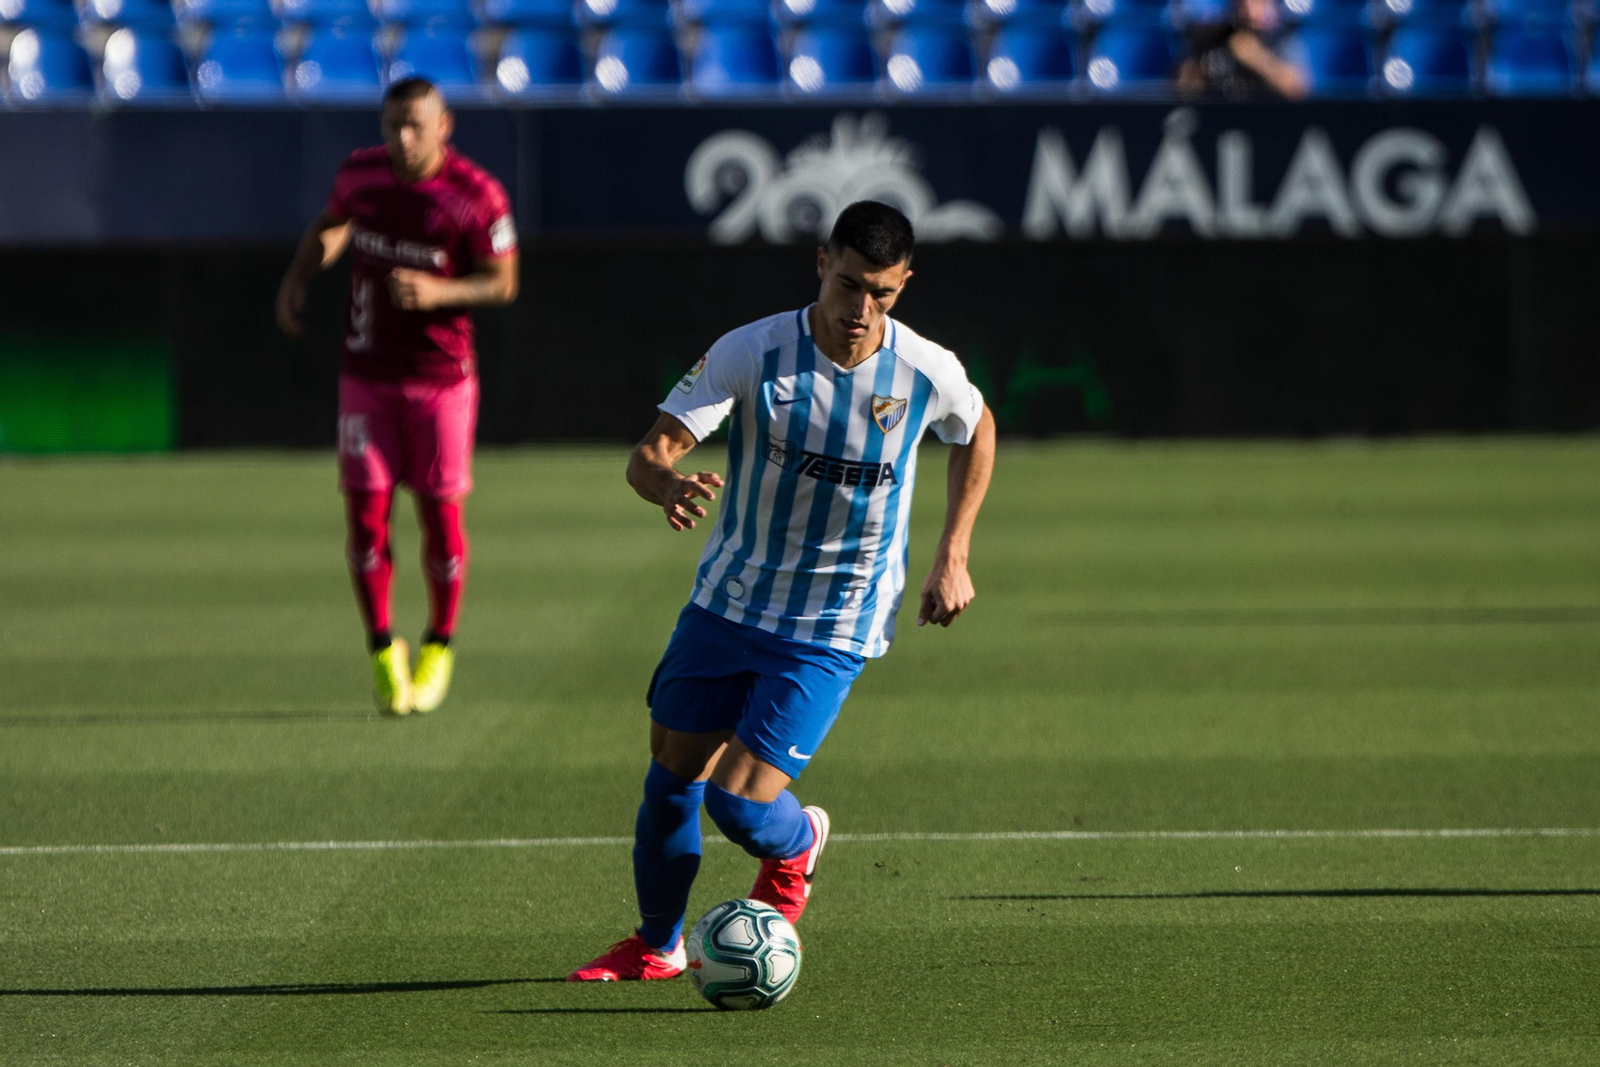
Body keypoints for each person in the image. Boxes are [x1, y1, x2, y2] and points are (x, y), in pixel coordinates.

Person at [568, 201, 996, 982]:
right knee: (670, 777)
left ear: (904, 284)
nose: (861, 310)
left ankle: (797, 842)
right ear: (820, 261)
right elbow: (648, 453)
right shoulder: (754, 350)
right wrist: (664, 485)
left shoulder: (925, 371)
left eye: (883, 293)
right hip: (730, 598)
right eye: (848, 284)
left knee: (735, 801)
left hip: (835, 618)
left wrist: (954, 551)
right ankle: (657, 944)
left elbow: (977, 428)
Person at [274, 77, 519, 716]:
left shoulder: (476, 196)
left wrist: (441, 294)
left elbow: (503, 282)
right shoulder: (361, 176)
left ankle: (440, 641)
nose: (401, 139)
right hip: (366, 375)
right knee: (364, 518)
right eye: (391, 127)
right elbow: (332, 225)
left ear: (445, 126)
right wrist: (301, 276)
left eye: (414, 125)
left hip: (441, 381)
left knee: (439, 518)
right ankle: (383, 647)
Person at [1177, 0, 1310, 100]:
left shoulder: (1281, 37)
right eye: (1242, 3)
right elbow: (1184, 88)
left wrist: (1257, 58)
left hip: (1268, 121)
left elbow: (1298, 88)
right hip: (1220, 120)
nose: (1249, 10)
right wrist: (1195, 70)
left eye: (1258, 2)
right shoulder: (1220, 36)